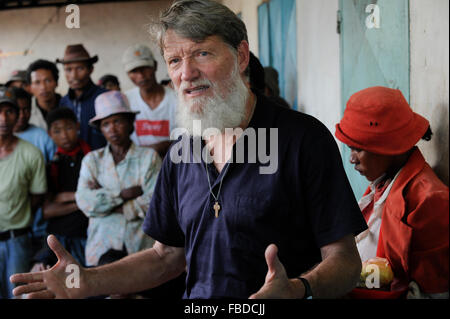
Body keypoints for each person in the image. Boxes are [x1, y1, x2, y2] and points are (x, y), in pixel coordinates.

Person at [10, 0, 366, 299]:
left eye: (202, 53)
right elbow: (166, 256)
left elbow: (347, 262)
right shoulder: (182, 154)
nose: (186, 73)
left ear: (241, 55)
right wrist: (89, 280)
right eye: (175, 60)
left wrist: (301, 288)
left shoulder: (303, 139)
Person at [335, 86, 449, 299]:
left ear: (388, 147)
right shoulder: (382, 182)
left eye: (357, 149)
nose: (351, 159)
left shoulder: (430, 201)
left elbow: (435, 292)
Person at [74, 91, 161, 267]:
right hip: (100, 247)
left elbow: (155, 201)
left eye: (118, 121)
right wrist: (122, 194)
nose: (112, 129)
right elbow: (84, 201)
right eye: (106, 124)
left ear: (130, 123)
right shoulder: (92, 160)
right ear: (100, 129)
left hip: (140, 248)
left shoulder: (148, 158)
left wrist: (106, 200)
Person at [0, 86, 47, 299]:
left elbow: (36, 197)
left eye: (9, 111)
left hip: (17, 240)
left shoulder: (31, 154)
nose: (3, 118)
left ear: (18, 115)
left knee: (17, 295)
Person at [39, 107, 90, 268]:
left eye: (68, 128)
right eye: (57, 131)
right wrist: (83, 201)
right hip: (60, 236)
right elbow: (47, 210)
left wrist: (64, 198)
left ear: (78, 126)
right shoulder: (52, 165)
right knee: (69, 285)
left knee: (89, 286)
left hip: (88, 233)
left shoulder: (93, 159)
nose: (64, 135)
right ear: (49, 134)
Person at [11, 87, 57, 266]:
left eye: (27, 109)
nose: (22, 115)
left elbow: (50, 180)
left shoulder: (41, 137)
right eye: (17, 109)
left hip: (37, 224)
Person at [122, 44, 177, 158]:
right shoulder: (125, 101)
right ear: (128, 74)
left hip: (172, 166)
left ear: (155, 66)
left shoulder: (177, 99)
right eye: (134, 71)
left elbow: (189, 141)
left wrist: (158, 149)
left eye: (145, 68)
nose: (141, 76)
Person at [58, 44, 107, 150]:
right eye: (68, 70)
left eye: (80, 68)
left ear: (91, 69)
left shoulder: (106, 98)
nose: (74, 76)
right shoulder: (63, 103)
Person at [26, 59, 62, 131]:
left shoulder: (70, 105)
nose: (43, 87)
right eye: (37, 82)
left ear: (56, 83)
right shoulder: (26, 111)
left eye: (48, 81)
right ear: (30, 87)